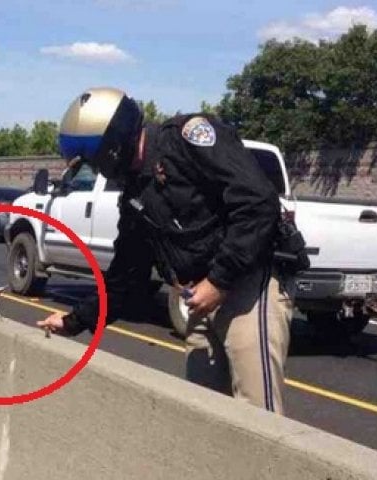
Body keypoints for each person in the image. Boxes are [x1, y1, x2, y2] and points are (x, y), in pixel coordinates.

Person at [37, 87, 297, 415]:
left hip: (250, 283)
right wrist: (75, 321)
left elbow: (259, 203)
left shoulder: (187, 141)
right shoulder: (136, 193)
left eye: (95, 162)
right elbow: (126, 277)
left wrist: (219, 281)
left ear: (111, 147)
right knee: (203, 411)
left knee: (257, 415)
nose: (100, 171)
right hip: (201, 296)